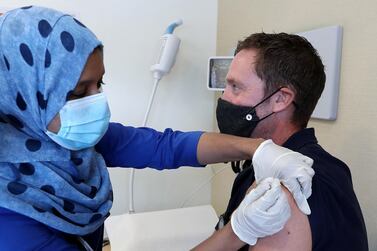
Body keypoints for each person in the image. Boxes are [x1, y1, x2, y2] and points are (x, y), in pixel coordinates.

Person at [0, 7, 313, 250]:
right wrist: (236, 233)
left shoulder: (73, 141)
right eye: (79, 92)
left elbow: (167, 146)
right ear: (22, 95)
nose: (97, 103)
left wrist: (258, 149)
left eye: (100, 84)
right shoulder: (11, 226)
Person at [194, 32, 369, 250]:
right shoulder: (259, 164)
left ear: (280, 99)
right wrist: (234, 230)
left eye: (235, 87)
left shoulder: (288, 189)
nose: (224, 97)